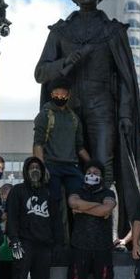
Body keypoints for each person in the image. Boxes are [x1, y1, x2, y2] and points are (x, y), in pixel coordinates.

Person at [35, 0, 140, 240]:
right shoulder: (60, 32)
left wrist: (125, 114)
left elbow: (125, 79)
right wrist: (66, 62)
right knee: (71, 167)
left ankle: (107, 232)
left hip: (103, 108)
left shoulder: (112, 31)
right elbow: (41, 73)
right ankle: (72, 232)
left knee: (104, 167)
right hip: (68, 111)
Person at [7, 157, 61, 279]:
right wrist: (14, 240)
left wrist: (57, 245)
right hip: (24, 243)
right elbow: (12, 218)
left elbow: (56, 222)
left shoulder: (49, 193)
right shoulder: (18, 191)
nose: (35, 170)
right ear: (26, 171)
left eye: (38, 167)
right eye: (31, 167)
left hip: (44, 247)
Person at [67, 160, 117, 279]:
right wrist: (98, 207)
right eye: (89, 171)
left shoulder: (109, 192)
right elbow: (73, 203)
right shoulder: (76, 191)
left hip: (102, 248)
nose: (92, 174)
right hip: (79, 247)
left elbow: (106, 209)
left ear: (101, 176)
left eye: (96, 172)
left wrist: (83, 209)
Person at [33, 77, 90, 221]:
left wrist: (92, 165)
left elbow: (80, 147)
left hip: (71, 166)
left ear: (68, 95)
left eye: (63, 94)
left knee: (80, 197)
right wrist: (41, 167)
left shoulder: (74, 118)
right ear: (51, 94)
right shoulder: (45, 115)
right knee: (54, 203)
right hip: (51, 166)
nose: (60, 97)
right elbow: (38, 144)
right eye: (56, 94)